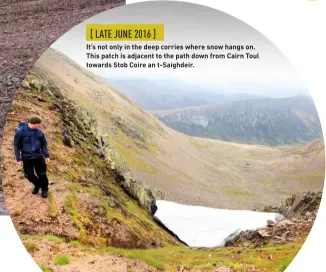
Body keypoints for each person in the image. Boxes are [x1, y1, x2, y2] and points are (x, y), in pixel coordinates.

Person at [13, 115, 50, 198]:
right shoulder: (20, 131)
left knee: (42, 173)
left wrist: (47, 156)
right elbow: (16, 145)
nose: (40, 126)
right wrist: (18, 159)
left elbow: (44, 144)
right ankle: (37, 185)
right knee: (29, 175)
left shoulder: (40, 132)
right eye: (39, 124)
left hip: (38, 156)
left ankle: (45, 189)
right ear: (34, 123)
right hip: (26, 157)